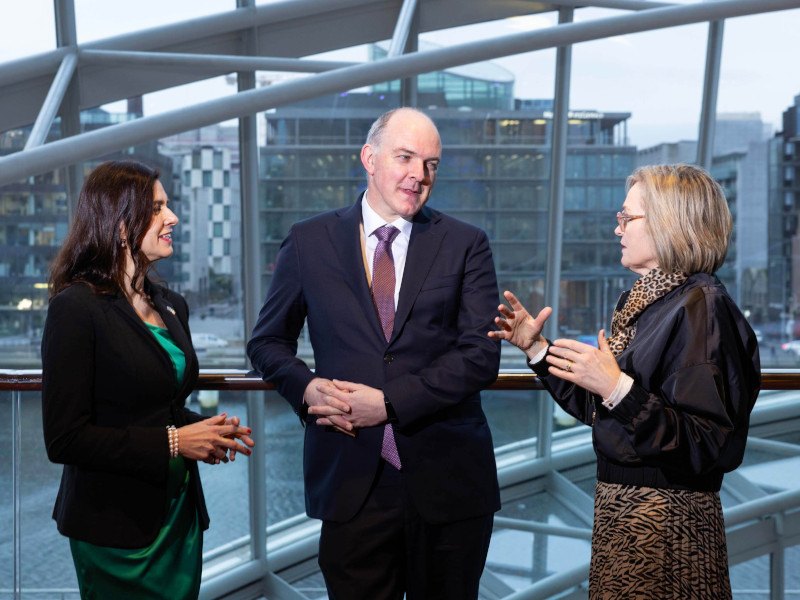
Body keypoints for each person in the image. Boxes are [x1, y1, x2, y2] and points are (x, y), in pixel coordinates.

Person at [247, 107, 501, 599]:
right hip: (350, 480)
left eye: (431, 164)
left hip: (449, 482)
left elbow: (479, 357)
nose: (418, 175)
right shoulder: (308, 240)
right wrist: (307, 388)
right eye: (405, 157)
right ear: (369, 157)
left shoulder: (466, 244)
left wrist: (388, 403)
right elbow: (266, 342)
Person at [490, 164, 760, 599]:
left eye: (626, 218)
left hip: (668, 527)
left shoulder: (701, 308)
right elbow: (609, 414)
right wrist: (537, 350)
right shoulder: (656, 304)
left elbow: (709, 443)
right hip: (629, 516)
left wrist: (618, 388)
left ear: (669, 222)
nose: (617, 229)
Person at [41, 160, 255, 599]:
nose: (172, 217)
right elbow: (65, 439)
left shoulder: (171, 304)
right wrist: (177, 441)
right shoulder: (75, 309)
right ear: (121, 226)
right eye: (158, 208)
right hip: (115, 532)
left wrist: (209, 430)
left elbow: (160, 402)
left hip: (179, 518)